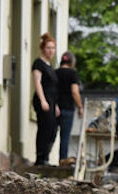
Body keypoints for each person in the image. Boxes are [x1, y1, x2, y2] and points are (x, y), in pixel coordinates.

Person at [31, 33, 58, 166]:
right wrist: (43, 100)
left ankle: (46, 156)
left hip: (52, 102)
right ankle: (40, 157)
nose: (51, 50)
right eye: (48, 48)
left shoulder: (50, 66)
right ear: (43, 48)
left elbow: (53, 86)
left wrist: (56, 105)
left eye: (53, 48)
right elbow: (37, 83)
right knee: (44, 128)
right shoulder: (38, 63)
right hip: (43, 100)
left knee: (53, 129)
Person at [56, 51, 83, 164]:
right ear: (72, 62)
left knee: (51, 134)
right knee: (65, 136)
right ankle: (63, 159)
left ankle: (44, 158)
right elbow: (75, 92)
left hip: (55, 108)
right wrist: (80, 106)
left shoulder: (55, 72)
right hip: (68, 109)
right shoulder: (73, 74)